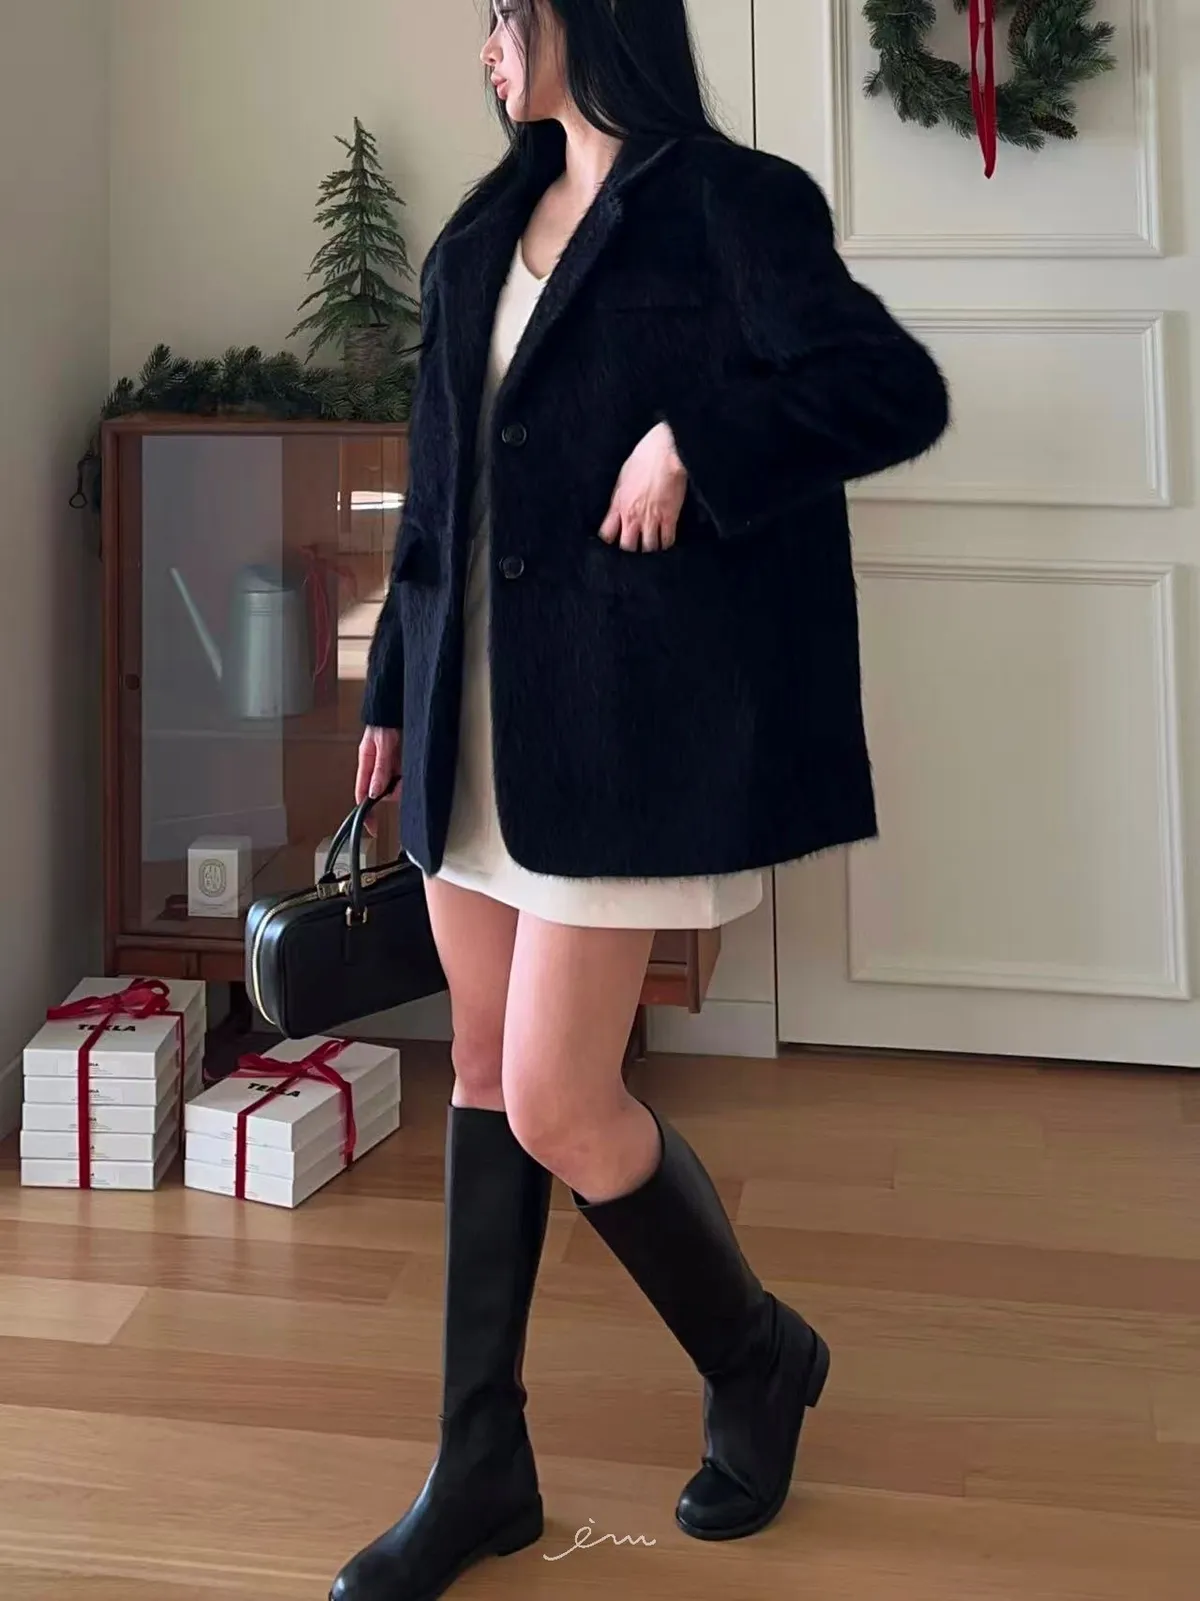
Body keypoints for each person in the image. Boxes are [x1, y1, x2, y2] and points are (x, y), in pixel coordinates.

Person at [332, 3, 949, 1598]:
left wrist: (698, 440)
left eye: (501, 13)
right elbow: (438, 484)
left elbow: (887, 389)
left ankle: (756, 1356)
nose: (485, 48)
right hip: (469, 716)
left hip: (624, 730)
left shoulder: (733, 203)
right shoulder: (484, 229)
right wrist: (392, 688)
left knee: (555, 1097)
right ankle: (481, 1462)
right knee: (482, 1068)